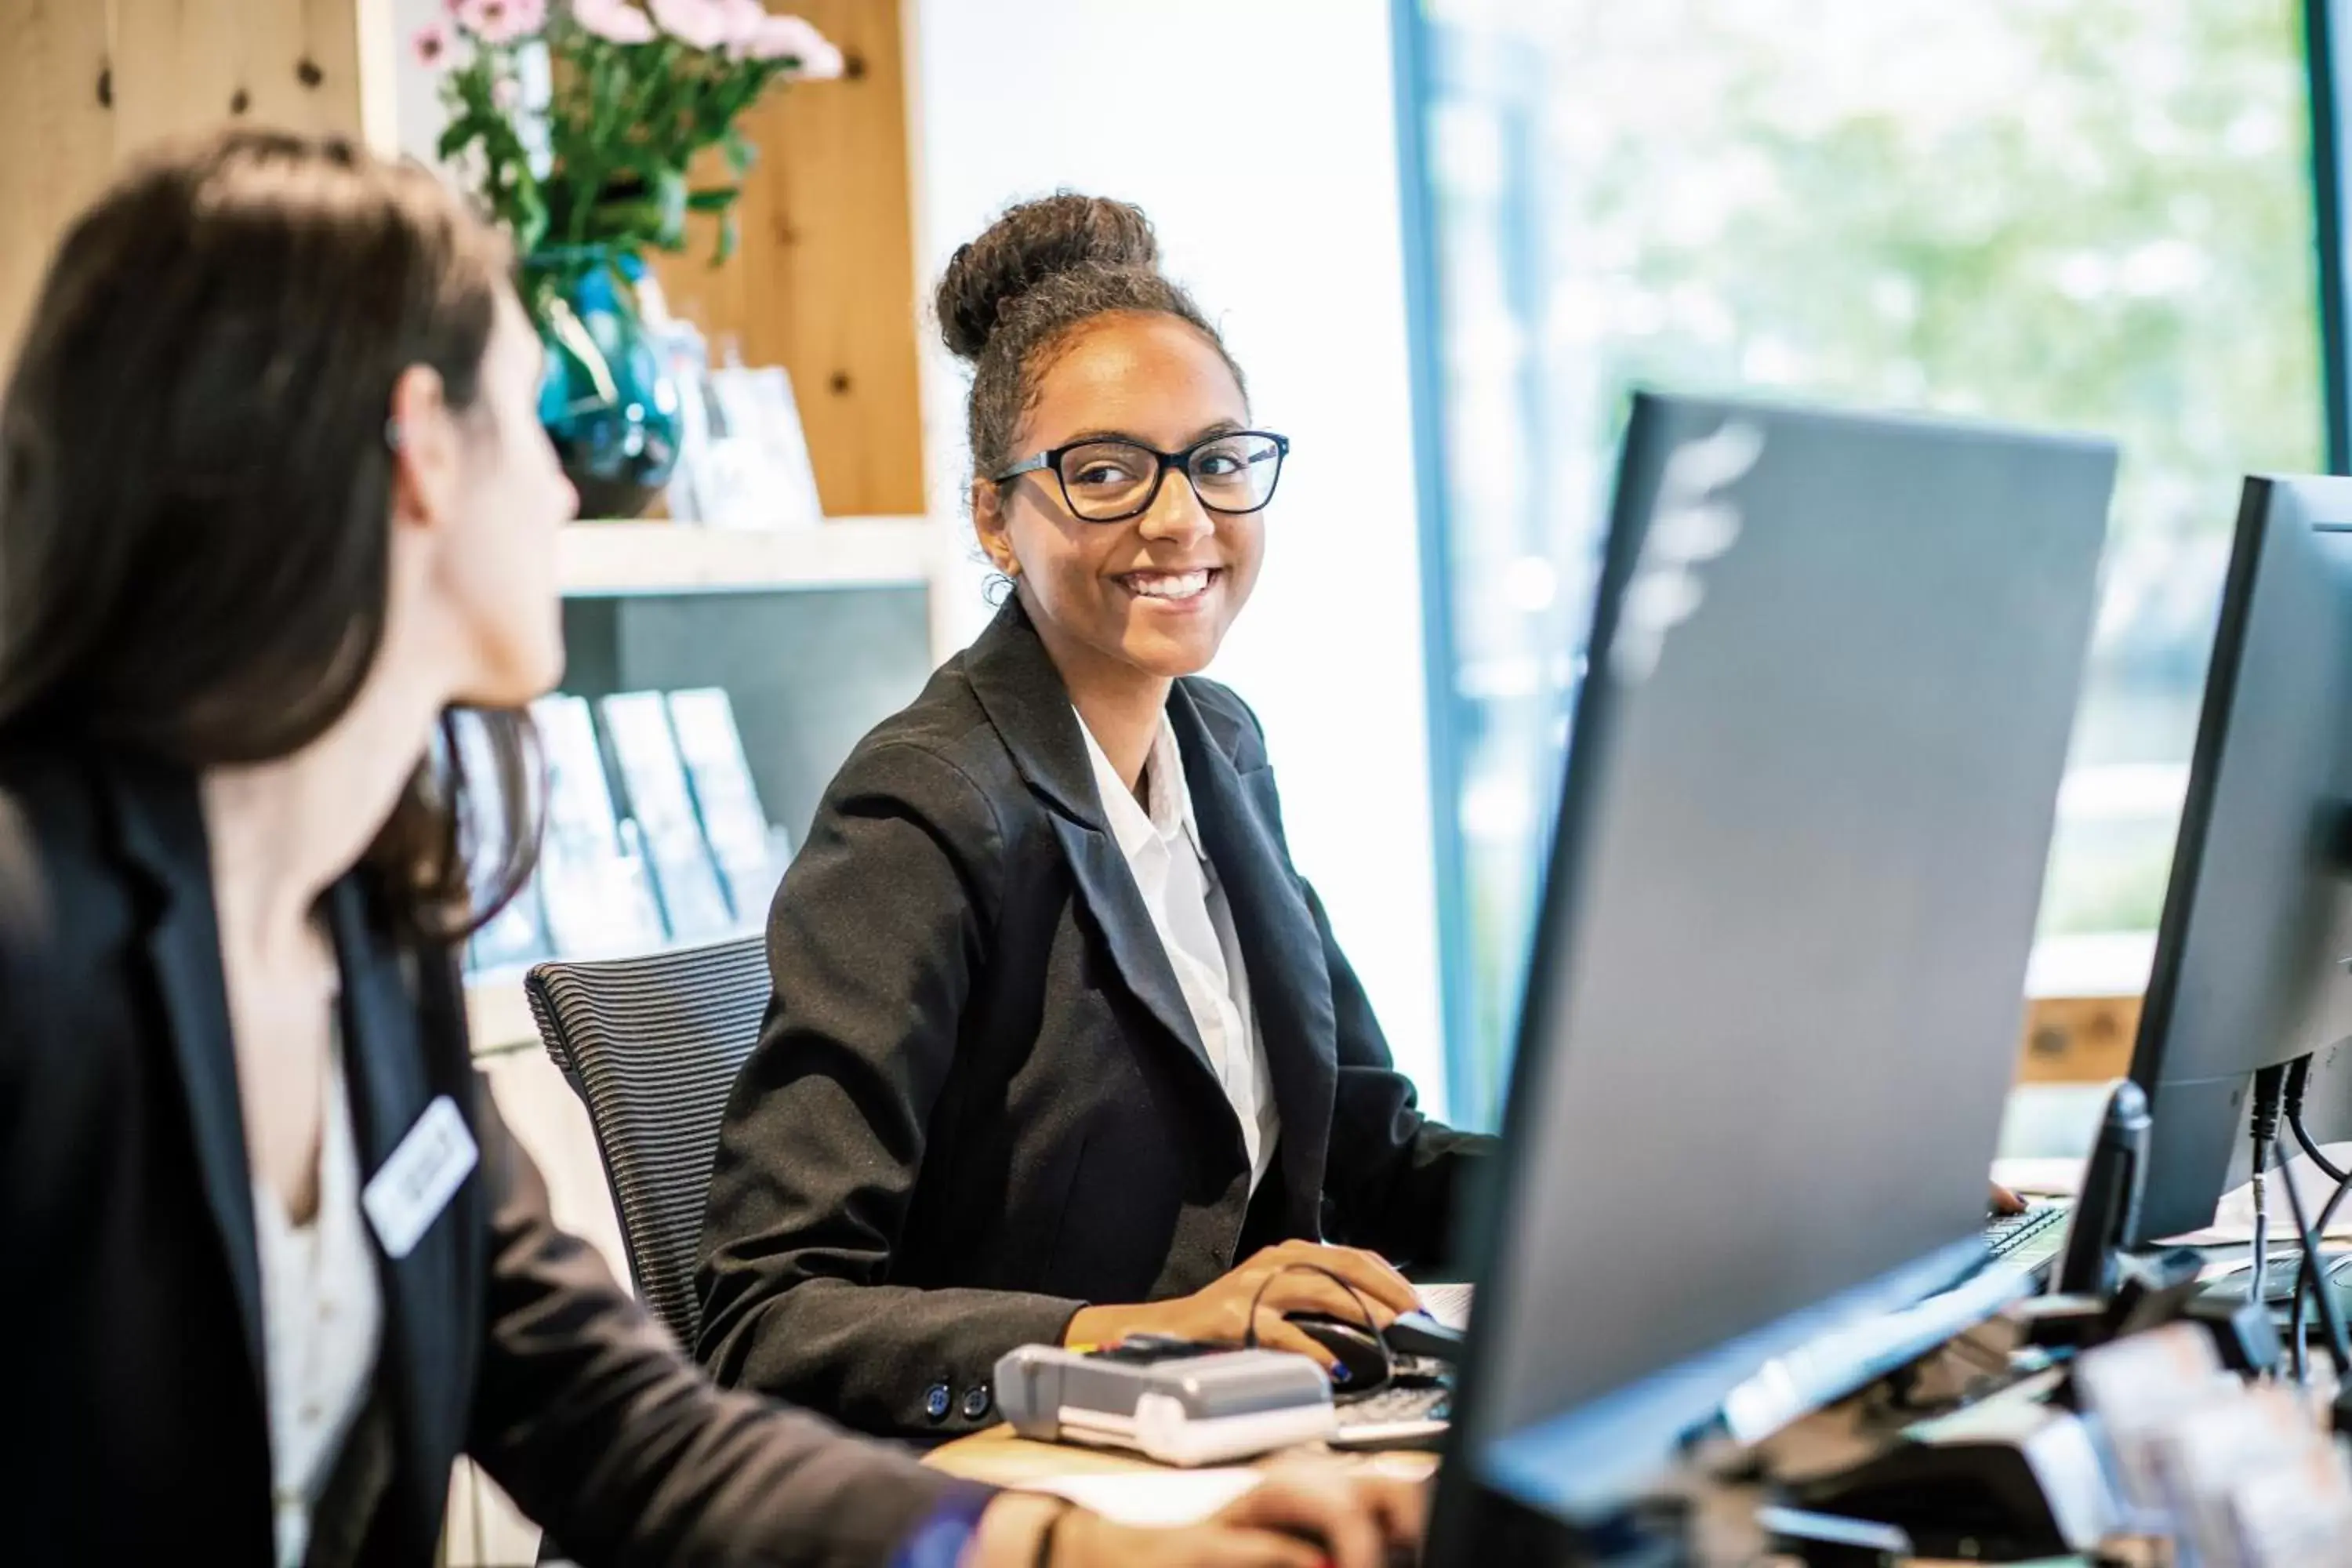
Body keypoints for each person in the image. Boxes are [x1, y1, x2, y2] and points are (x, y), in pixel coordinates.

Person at [0, 130, 1424, 1568]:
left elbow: (623, 1429)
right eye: (530, 426)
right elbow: (766, 1322)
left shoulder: (363, 940)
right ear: (422, 449)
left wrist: (1059, 1550)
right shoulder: (34, 943)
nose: (567, 495)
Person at [696, 194, 1493, 1442]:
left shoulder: (1218, 744)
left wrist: (1644, 1201)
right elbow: (766, 1318)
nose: (1181, 520)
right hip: (1008, 1486)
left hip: (1238, 1450)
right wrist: (1132, 1339)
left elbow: (1368, 1165)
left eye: (1219, 460)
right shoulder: (923, 806)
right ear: (991, 519)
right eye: (1106, 473)